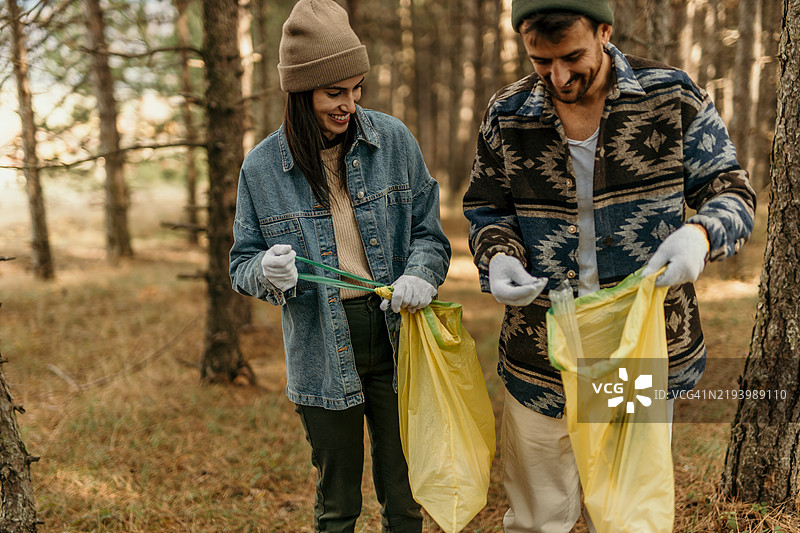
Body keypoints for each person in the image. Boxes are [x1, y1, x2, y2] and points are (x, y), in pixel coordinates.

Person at [462, 0, 756, 531]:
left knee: (628, 518)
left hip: (639, 347)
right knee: (537, 517)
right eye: (540, 61)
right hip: (539, 351)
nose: (559, 76)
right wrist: (498, 254)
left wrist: (700, 233)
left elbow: (733, 191)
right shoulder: (507, 113)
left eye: (572, 56)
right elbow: (487, 209)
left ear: (604, 31)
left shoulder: (671, 96)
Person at [229, 1, 451, 531]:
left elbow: (429, 234)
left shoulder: (393, 141)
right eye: (335, 92)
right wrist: (267, 270)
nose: (349, 104)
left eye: (357, 89)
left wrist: (421, 273)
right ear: (301, 91)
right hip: (321, 346)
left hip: (400, 337)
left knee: (405, 494)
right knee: (337, 504)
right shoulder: (262, 167)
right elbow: (241, 263)